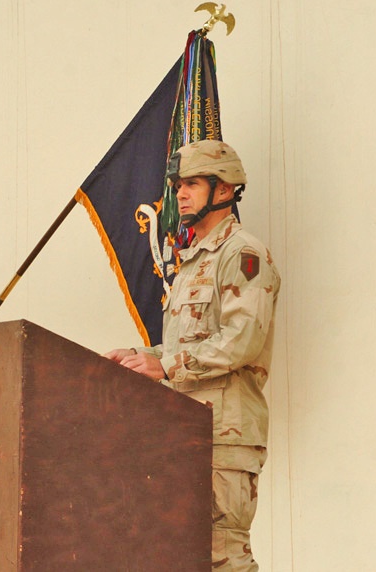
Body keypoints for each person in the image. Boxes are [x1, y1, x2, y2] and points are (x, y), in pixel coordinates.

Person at [105, 139, 280, 571]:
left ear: (224, 191)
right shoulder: (191, 262)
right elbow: (191, 343)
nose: (179, 194)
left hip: (225, 436)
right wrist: (139, 355)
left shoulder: (242, 254)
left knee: (223, 559)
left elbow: (242, 340)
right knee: (183, 556)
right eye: (178, 185)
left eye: (192, 184)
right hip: (187, 430)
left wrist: (164, 365)